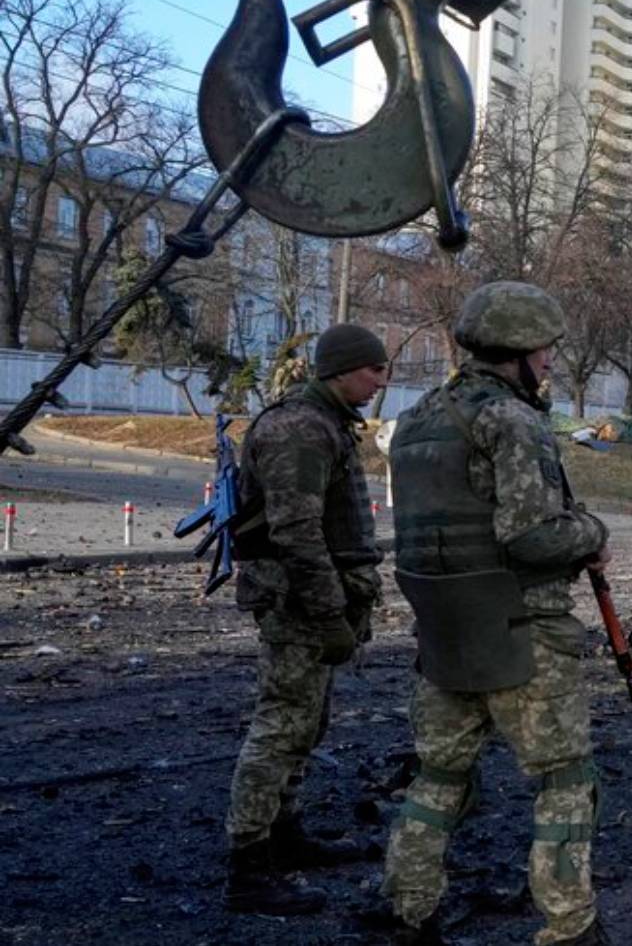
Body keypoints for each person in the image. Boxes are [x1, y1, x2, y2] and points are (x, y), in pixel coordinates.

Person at [383, 281, 611, 946]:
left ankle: (409, 908)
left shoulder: (419, 417)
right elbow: (530, 535)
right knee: (566, 780)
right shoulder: (511, 422)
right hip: (522, 633)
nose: (550, 363)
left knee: (439, 776)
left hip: (445, 631)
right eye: (544, 351)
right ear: (515, 352)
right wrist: (592, 535)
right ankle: (569, 926)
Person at [224, 324, 391, 915]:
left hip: (316, 602)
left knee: (305, 725)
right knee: (280, 728)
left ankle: (283, 834)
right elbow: (296, 532)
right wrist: (328, 616)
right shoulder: (299, 428)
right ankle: (248, 866)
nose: (380, 380)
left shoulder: (322, 422)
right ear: (342, 369)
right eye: (373, 369)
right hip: (299, 605)